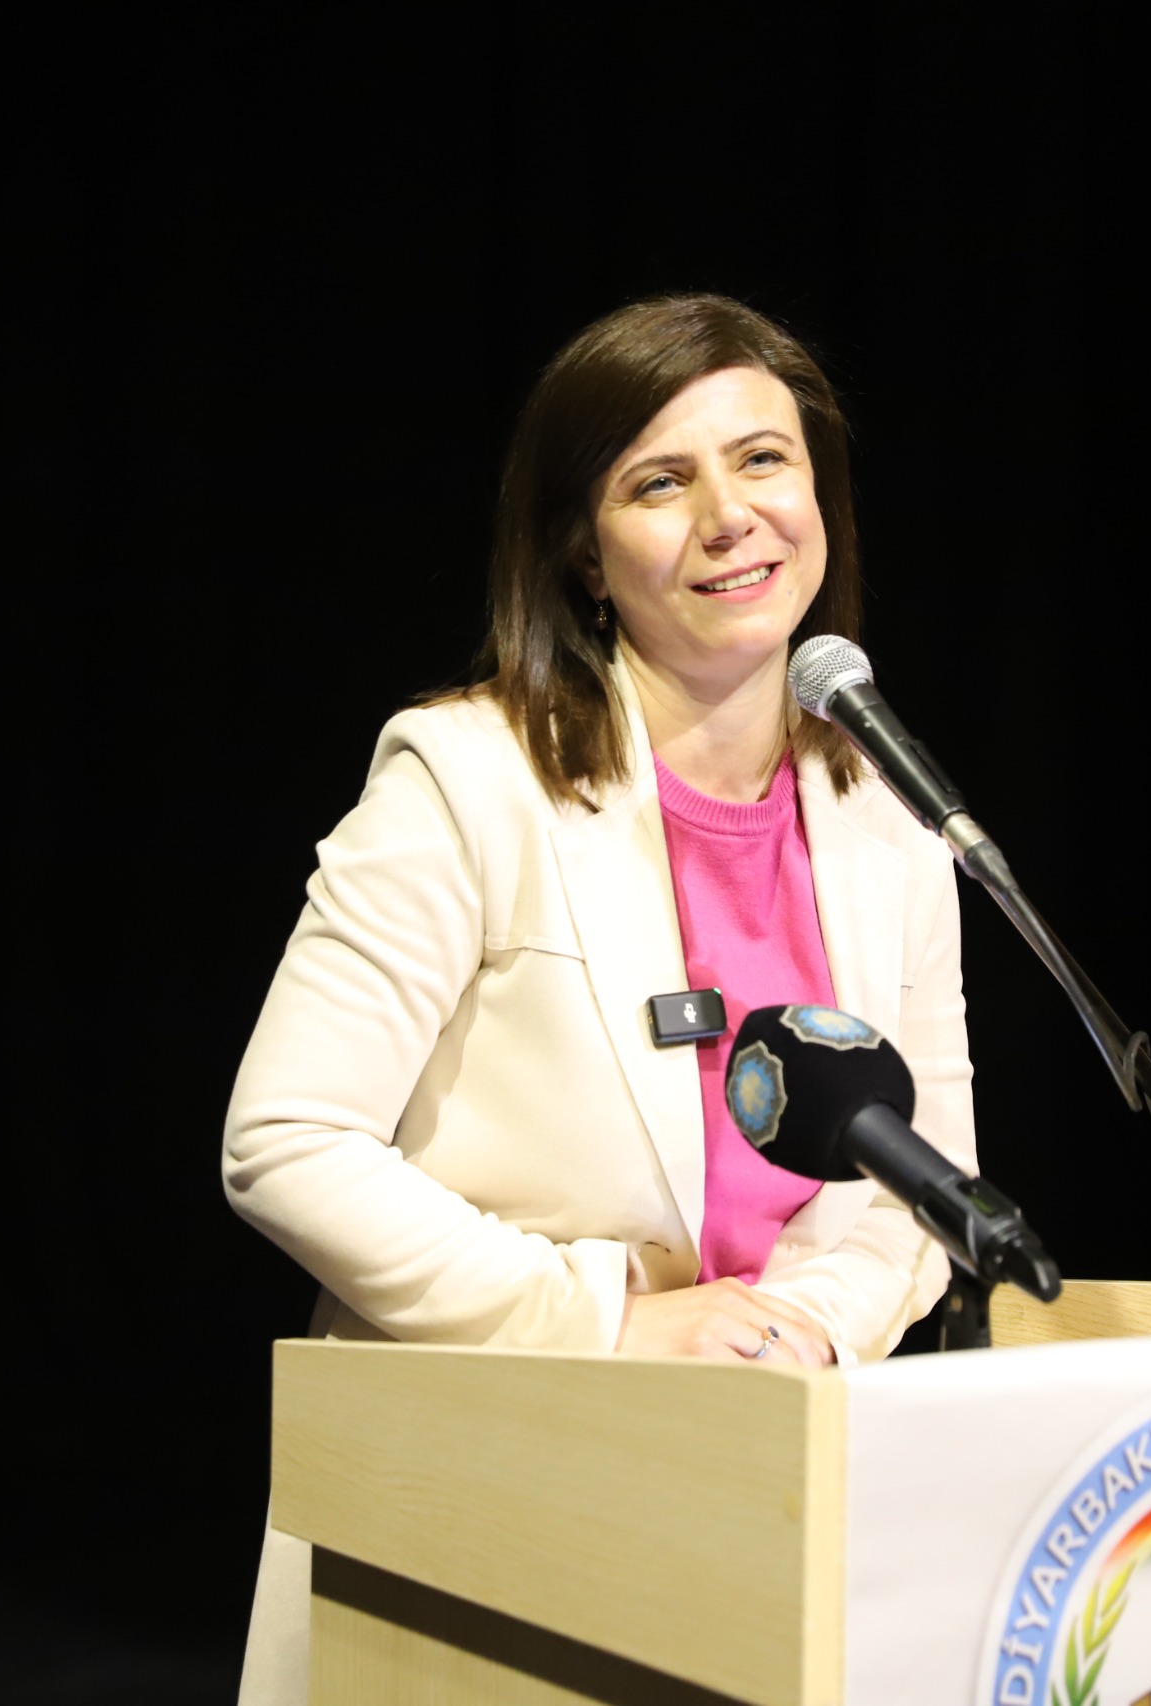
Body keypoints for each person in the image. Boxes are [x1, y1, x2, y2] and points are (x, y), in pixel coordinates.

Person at [220, 293, 976, 1702]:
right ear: (584, 549)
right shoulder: (467, 780)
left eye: (763, 460)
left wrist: (801, 1329)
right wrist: (607, 1319)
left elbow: (923, 1183)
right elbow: (286, 1141)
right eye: (660, 482)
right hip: (489, 1492)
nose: (730, 517)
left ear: (820, 496)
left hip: (780, 1486)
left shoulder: (891, 820)